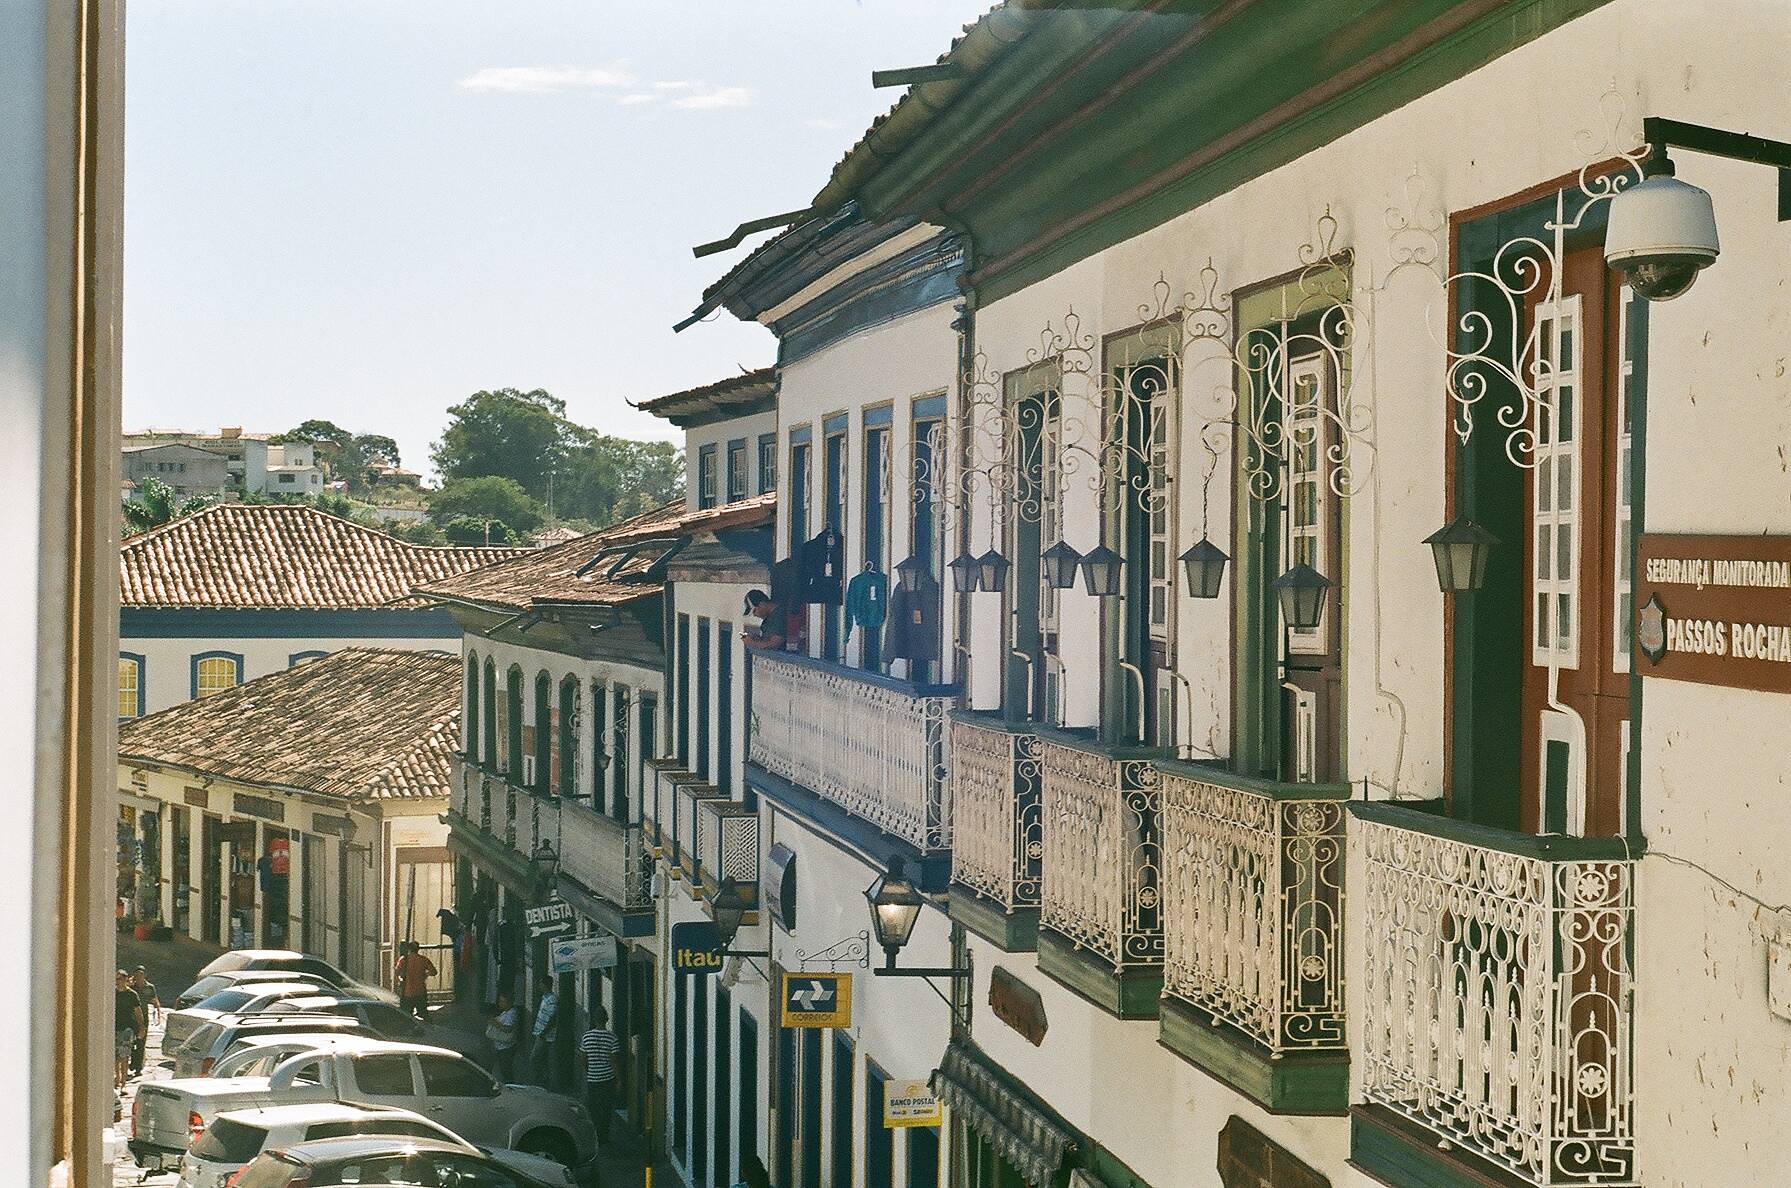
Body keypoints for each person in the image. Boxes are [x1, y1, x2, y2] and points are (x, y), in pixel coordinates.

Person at [577, 1007, 621, 1145]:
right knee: (607, 1108)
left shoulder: (586, 1037)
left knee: (594, 1107)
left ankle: (596, 1133)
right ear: (606, 1019)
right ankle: (604, 1135)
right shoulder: (612, 1037)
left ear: (594, 1020)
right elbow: (614, 1060)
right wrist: (619, 1079)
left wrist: (589, 1070)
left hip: (593, 1078)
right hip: (607, 1078)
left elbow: (583, 1059)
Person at [113, 970, 143, 1090]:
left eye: (120, 979)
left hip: (127, 1028)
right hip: (114, 1027)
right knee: (115, 1056)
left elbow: (138, 1012)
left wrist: (142, 1027)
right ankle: (117, 1078)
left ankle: (124, 1083)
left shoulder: (132, 994)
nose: (117, 982)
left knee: (124, 1056)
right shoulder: (112, 993)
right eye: (116, 979)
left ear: (125, 980)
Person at [393, 940, 436, 1019]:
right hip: (420, 991)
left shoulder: (403, 960)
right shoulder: (423, 959)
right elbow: (434, 972)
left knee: (407, 1015)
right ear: (418, 949)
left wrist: (401, 979)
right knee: (423, 1014)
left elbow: (397, 972)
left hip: (408, 992)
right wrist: (425, 974)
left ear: (409, 949)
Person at [129, 966, 160, 1075]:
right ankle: (133, 1062)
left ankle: (138, 1068)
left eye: (141, 974)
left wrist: (156, 1005)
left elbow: (154, 999)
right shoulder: (131, 987)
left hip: (144, 1017)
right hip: (131, 1018)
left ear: (145, 975)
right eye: (137, 975)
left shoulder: (150, 987)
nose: (139, 977)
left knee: (141, 1043)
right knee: (132, 1042)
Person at [486, 991, 520, 1082]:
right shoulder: (505, 1012)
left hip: (506, 1047)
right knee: (503, 1068)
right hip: (500, 1046)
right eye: (500, 1001)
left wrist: (495, 1023)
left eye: (503, 1001)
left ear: (508, 1003)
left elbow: (507, 1029)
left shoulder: (511, 1014)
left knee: (506, 1070)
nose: (500, 1004)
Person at [530, 983, 559, 1088]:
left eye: (541, 984)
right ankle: (544, 1082)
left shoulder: (552, 999)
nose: (539, 986)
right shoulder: (545, 998)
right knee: (542, 1059)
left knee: (535, 1058)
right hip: (540, 1033)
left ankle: (542, 1081)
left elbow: (552, 1018)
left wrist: (544, 1032)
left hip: (545, 1035)